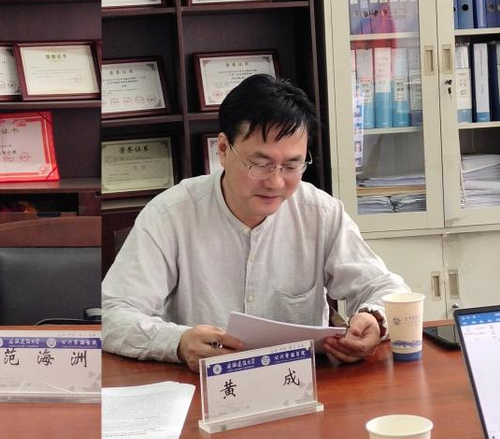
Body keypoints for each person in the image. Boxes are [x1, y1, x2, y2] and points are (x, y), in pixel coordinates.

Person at [102, 74, 409, 371]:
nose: (276, 182)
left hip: (300, 381)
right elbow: (113, 314)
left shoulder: (320, 212)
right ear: (224, 149)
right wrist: (178, 343)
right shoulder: (170, 214)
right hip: (203, 384)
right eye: (260, 164)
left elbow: (386, 288)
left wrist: (374, 318)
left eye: (291, 165)